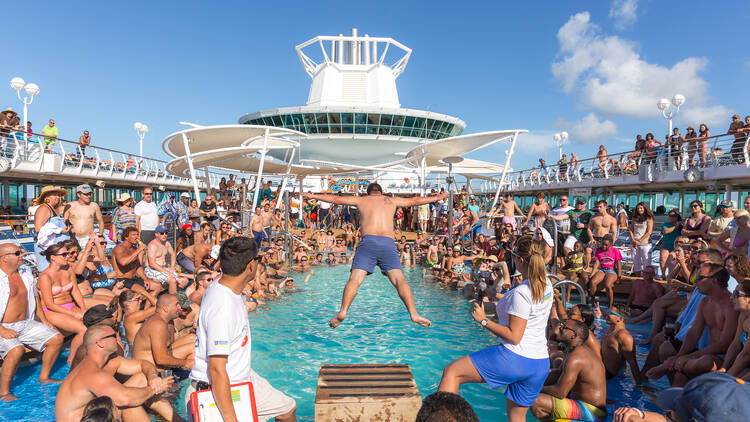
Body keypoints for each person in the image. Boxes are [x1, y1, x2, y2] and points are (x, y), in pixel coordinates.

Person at [438, 236, 553, 422]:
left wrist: (483, 321)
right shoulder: (546, 284)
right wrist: (495, 294)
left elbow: (515, 336)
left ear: (521, 261)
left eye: (513, 256)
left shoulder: (522, 293)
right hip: (539, 363)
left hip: (516, 358)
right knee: (517, 418)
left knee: (452, 372)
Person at [303, 183, 447, 328]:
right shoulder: (392, 200)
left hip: (368, 241)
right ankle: (414, 313)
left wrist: (313, 195)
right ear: (381, 191)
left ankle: (343, 311)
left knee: (355, 279)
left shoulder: (361, 200)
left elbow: (335, 199)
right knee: (399, 280)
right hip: (388, 242)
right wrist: (439, 197)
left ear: (368, 192)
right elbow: (415, 200)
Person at [186, 236, 297, 422]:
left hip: (241, 376)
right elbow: (216, 369)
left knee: (287, 408)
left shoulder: (226, 289)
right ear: (251, 266)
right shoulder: (222, 306)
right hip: (219, 387)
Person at [55, 324, 174, 422]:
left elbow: (143, 364)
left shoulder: (109, 362)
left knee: (143, 378)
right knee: (128, 405)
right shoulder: (91, 373)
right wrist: (155, 389)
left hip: (101, 416)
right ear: (100, 343)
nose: (118, 338)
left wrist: (153, 377)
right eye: (113, 336)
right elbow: (125, 399)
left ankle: (177, 420)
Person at [0, 241, 64, 401]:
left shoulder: (25, 271)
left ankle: (43, 377)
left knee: (57, 338)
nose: (22, 255)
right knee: (16, 350)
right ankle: (4, 392)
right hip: (3, 326)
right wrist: (2, 331)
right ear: (4, 258)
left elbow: (35, 297)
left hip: (25, 323)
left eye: (20, 252)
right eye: (17, 253)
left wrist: (43, 320)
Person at [530, 319, 607, 422]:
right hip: (584, 405)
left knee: (536, 402)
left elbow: (560, 392)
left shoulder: (576, 357)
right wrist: (531, 378)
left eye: (564, 328)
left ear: (573, 335)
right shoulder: (574, 350)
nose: (559, 329)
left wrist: (533, 388)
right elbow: (558, 373)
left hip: (592, 411)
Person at [131, 293, 194, 371]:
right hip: (147, 370)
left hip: (153, 362)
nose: (179, 307)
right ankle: (194, 381)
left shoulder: (161, 321)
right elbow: (161, 359)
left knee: (192, 338)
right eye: (176, 305)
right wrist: (186, 363)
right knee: (192, 348)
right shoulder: (158, 324)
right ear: (165, 309)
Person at [601, 305, 643, 384]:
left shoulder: (624, 337)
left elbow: (633, 363)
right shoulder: (609, 329)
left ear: (620, 318)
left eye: (610, 313)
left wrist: (639, 384)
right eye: (607, 311)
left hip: (609, 374)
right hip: (602, 369)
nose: (607, 314)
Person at [33, 185, 69, 271]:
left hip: (56, 250)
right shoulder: (44, 208)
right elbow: (38, 228)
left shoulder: (53, 209)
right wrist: (60, 230)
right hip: (47, 250)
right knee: (48, 273)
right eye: (55, 194)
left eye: (58, 195)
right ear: (46, 197)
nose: (58, 197)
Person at [144, 225, 188, 293]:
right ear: (156, 234)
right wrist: (167, 272)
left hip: (163, 268)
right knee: (172, 280)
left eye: (166, 233)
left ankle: (173, 295)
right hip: (152, 270)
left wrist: (172, 267)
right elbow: (152, 264)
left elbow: (173, 254)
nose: (164, 235)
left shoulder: (166, 243)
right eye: (162, 233)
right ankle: (172, 301)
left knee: (184, 281)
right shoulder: (152, 246)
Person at [64, 184, 105, 248]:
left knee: (89, 257)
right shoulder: (70, 205)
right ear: (78, 195)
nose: (89, 196)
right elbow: (64, 220)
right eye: (86, 194)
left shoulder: (94, 205)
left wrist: (100, 235)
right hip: (72, 238)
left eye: (90, 194)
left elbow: (101, 221)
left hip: (88, 238)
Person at [112, 227, 151, 292]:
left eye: (137, 235)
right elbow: (123, 262)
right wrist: (138, 250)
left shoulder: (134, 249)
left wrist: (145, 279)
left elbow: (138, 266)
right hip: (122, 280)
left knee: (157, 286)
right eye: (133, 235)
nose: (136, 237)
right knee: (142, 290)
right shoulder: (119, 248)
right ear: (126, 237)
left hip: (134, 279)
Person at [589, 234, 622, 309]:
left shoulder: (615, 250)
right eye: (603, 244)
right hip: (602, 270)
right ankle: (592, 300)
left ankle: (610, 304)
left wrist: (619, 277)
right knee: (593, 282)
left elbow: (619, 264)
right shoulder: (598, 250)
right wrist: (592, 274)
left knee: (607, 285)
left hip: (612, 270)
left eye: (606, 245)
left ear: (611, 244)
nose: (604, 246)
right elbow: (596, 263)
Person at [629, 202, 654, 276]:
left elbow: (649, 232)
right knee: (636, 262)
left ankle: (646, 279)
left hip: (645, 243)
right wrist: (633, 240)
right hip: (634, 242)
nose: (639, 210)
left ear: (644, 209)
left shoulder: (649, 218)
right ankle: (638, 278)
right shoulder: (634, 218)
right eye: (638, 208)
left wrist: (639, 241)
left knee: (646, 262)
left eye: (641, 208)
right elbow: (631, 229)